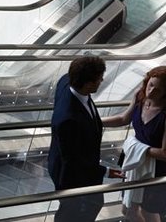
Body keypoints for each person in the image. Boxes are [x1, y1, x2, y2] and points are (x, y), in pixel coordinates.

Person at [48, 56, 123, 222]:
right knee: (73, 211)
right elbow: (74, 161)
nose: (102, 80)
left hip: (79, 166)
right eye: (99, 79)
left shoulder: (66, 81)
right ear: (88, 84)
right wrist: (106, 171)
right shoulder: (68, 119)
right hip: (70, 176)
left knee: (92, 203)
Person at [104, 66, 166, 222]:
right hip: (135, 163)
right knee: (127, 209)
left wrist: (138, 148)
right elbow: (123, 119)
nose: (151, 91)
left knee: (148, 212)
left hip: (155, 170)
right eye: (150, 85)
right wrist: (95, 121)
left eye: (158, 90)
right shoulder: (140, 98)